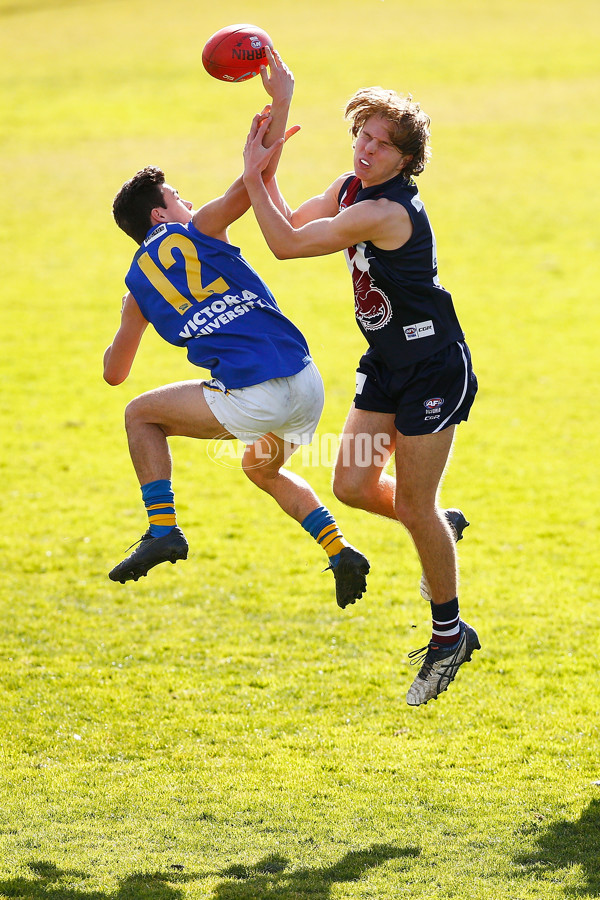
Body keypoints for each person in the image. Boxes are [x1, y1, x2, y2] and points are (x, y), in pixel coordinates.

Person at [103, 49, 369, 609]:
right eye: (178, 198)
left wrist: (136, 314)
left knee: (138, 415)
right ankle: (340, 550)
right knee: (261, 467)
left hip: (256, 397)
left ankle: (162, 531)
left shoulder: (137, 289)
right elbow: (254, 181)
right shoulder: (202, 229)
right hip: (306, 383)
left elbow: (115, 374)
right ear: (159, 215)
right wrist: (280, 100)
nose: (190, 202)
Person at [242, 86, 480, 706]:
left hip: (431, 367)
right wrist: (267, 165)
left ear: (405, 160)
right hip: (385, 364)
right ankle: (435, 530)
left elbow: (285, 245)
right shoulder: (350, 190)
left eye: (380, 144)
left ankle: (448, 634)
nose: (365, 149)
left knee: (416, 502)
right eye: (361, 136)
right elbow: (293, 219)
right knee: (350, 484)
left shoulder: (389, 211)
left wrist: (251, 175)